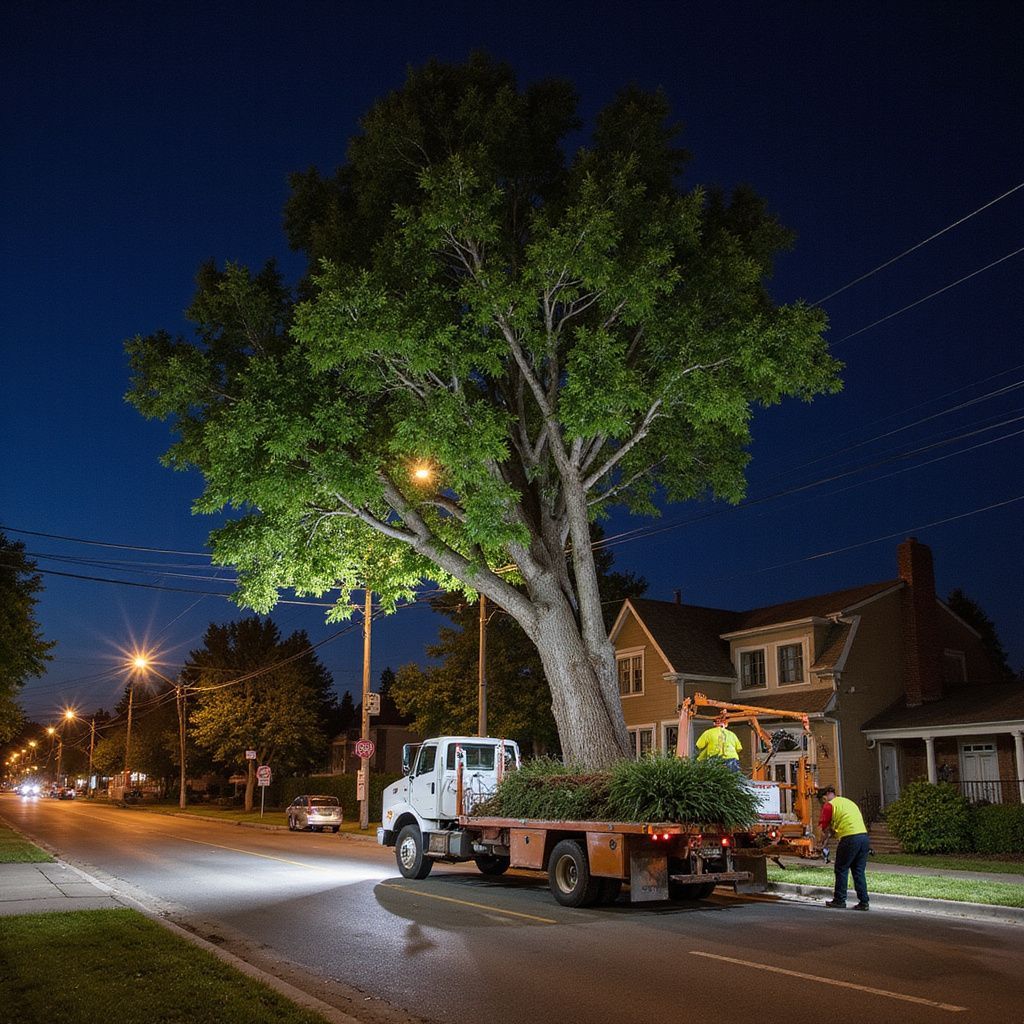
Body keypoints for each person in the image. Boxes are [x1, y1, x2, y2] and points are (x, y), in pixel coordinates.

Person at [818, 785, 869, 910]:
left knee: (841, 868)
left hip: (849, 838)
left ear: (824, 797)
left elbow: (824, 829)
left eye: (821, 801)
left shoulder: (829, 805)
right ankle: (864, 902)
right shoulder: (847, 802)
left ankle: (839, 900)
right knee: (858, 871)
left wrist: (821, 844)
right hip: (863, 837)